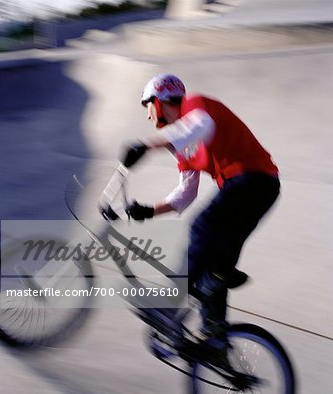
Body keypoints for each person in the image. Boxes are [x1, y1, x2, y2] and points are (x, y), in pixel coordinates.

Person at [120, 73, 280, 335]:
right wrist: (149, 210)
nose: (148, 117)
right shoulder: (182, 148)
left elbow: (198, 127)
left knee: (201, 228)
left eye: (147, 107)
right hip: (245, 191)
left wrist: (145, 145)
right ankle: (216, 339)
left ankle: (168, 306)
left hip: (255, 181)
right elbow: (185, 194)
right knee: (210, 272)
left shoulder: (195, 105)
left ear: (159, 100)